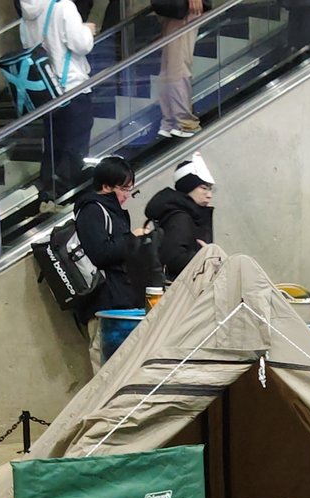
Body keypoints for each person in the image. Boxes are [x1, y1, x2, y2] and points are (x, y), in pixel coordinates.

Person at [73, 156, 159, 364]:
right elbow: (100, 253)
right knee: (106, 369)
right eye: (124, 189)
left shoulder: (113, 212)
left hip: (121, 303)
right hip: (104, 304)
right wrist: (132, 238)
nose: (127, 195)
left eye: (130, 189)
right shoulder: (92, 210)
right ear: (106, 186)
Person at [20, 0, 97, 204]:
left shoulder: (26, 14)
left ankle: (47, 194)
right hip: (72, 87)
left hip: (48, 92)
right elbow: (82, 45)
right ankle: (63, 196)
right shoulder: (63, 6)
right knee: (75, 147)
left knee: (54, 147)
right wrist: (87, 31)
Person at [146, 154, 215, 282]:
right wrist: (207, 257)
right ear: (188, 187)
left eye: (211, 189)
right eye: (204, 188)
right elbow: (173, 259)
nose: (209, 195)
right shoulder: (180, 218)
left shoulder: (189, 214)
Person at [157, 0, 203, 140]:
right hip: (174, 9)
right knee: (170, 68)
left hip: (183, 8)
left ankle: (183, 122)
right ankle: (172, 120)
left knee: (177, 65)